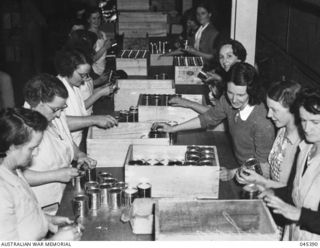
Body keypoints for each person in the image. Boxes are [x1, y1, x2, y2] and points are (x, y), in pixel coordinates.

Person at [155, 62, 275, 181]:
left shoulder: (262, 122)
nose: (234, 99)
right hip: (240, 164)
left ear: (251, 91)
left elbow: (263, 167)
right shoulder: (227, 102)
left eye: (240, 95)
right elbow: (207, 118)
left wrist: (233, 173)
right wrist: (172, 128)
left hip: (255, 175)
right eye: (230, 92)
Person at [0, 108, 82, 240]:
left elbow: (23, 213)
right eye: (32, 148)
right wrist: (56, 241)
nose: (36, 153)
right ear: (12, 146)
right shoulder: (2, 192)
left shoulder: (15, 170)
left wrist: (48, 220)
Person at [23, 74, 96, 211]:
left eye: (62, 108)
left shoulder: (55, 114)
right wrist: (56, 175)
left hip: (63, 196)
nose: (59, 114)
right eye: (55, 109)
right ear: (38, 103)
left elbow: (65, 139)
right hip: (41, 205)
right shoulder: (22, 130)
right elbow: (14, 175)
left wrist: (79, 154)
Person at [260, 88, 320, 240]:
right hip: (294, 234)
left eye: (315, 122)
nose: (307, 128)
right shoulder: (305, 147)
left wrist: (298, 213)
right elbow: (293, 191)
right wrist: (271, 194)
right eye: (303, 120)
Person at [239, 81, 302, 189]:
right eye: (268, 109)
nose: (269, 115)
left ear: (293, 110)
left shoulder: (301, 144)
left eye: (274, 110)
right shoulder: (282, 130)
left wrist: (260, 181)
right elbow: (271, 170)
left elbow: (292, 192)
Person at [54, 49, 117, 146]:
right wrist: (95, 119)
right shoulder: (55, 89)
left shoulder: (74, 86)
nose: (84, 79)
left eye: (86, 75)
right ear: (68, 69)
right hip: (61, 145)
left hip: (74, 142)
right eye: (81, 75)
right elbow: (59, 123)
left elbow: (80, 107)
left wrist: (99, 91)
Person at [169, 39, 247, 110]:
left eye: (229, 56)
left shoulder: (241, 79)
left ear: (239, 59)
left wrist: (187, 103)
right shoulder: (233, 74)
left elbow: (216, 114)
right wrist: (219, 79)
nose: (224, 61)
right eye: (221, 57)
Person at [163, 4, 220, 69]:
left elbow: (213, 57)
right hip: (196, 65)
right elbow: (186, 49)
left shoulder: (213, 32)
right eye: (198, 14)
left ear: (209, 14)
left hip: (207, 68)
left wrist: (195, 52)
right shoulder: (198, 31)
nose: (200, 16)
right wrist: (166, 55)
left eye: (203, 13)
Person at [86, 7, 112, 76]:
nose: (97, 21)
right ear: (88, 20)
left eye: (98, 18)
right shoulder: (87, 36)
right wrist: (104, 47)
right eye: (94, 18)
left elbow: (103, 57)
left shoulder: (103, 34)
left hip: (102, 71)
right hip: (93, 72)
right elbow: (91, 59)